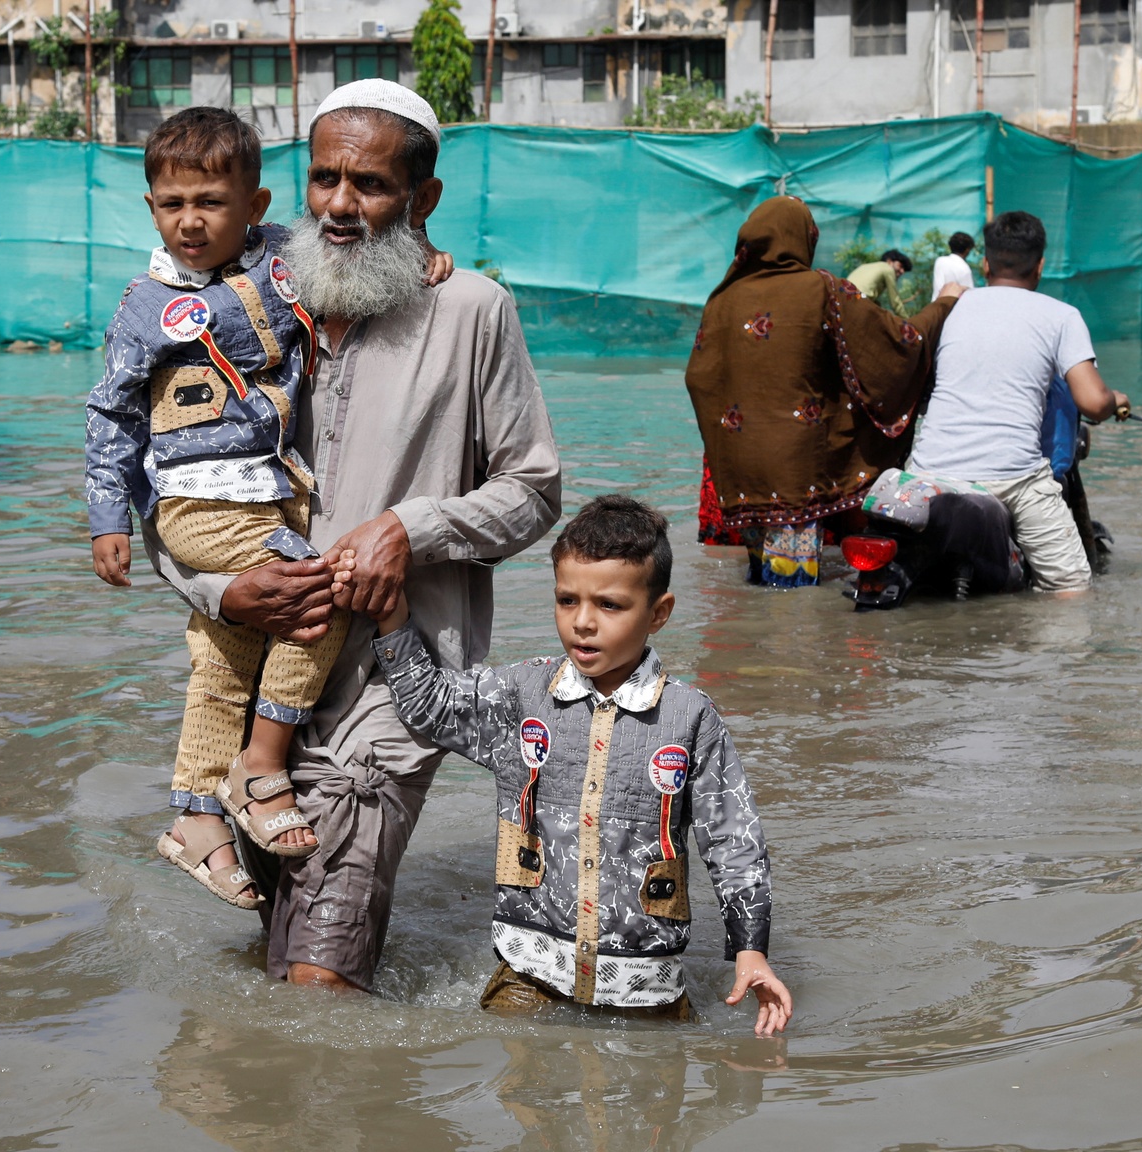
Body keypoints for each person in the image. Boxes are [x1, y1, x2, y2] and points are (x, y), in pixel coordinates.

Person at [143, 79, 562, 990]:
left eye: (369, 184)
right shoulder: (246, 306)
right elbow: (172, 481)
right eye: (324, 178)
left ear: (423, 199)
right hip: (255, 677)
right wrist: (219, 590)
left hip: (389, 679)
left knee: (318, 983)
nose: (338, 204)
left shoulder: (471, 312)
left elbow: (533, 491)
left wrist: (411, 529)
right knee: (277, 955)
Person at [83, 107, 453, 907]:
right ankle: (261, 765)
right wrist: (110, 515)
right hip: (198, 499)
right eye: (172, 204)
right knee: (321, 594)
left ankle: (193, 815)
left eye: (211, 203)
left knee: (224, 653)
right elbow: (112, 414)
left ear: (254, 206)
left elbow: (360, 245)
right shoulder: (144, 307)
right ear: (150, 208)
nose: (190, 221)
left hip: (268, 494)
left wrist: (423, 253)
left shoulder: (286, 259)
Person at [368, 496, 793, 1031]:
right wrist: (392, 617)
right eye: (567, 600)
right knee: (525, 1094)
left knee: (658, 1104)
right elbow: (430, 708)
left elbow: (735, 842)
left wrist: (750, 950)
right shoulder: (523, 694)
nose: (583, 623)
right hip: (529, 975)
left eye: (610, 605)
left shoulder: (689, 719)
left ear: (658, 613)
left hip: (645, 987)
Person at [687, 197, 961, 587]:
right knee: (792, 598)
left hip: (740, 477)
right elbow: (899, 344)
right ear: (804, 238)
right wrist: (944, 303)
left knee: (759, 582)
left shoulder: (720, 301)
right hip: (798, 477)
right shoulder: (821, 289)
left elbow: (699, 378)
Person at [904, 210, 1128, 592]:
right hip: (1012, 478)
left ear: (985, 263)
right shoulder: (1062, 316)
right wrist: (1114, 399)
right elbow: (1092, 402)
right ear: (1040, 266)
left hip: (928, 472)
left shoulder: (949, 308)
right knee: (1071, 586)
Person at [847, 248, 913, 315]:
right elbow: (895, 302)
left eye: (904, 269)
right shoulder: (888, 269)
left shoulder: (865, 266)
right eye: (900, 266)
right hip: (858, 300)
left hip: (845, 296)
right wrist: (906, 321)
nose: (902, 271)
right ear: (889, 261)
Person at [931, 231, 978, 301]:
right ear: (967, 250)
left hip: (936, 305)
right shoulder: (964, 268)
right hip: (954, 309)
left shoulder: (940, 261)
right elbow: (969, 294)